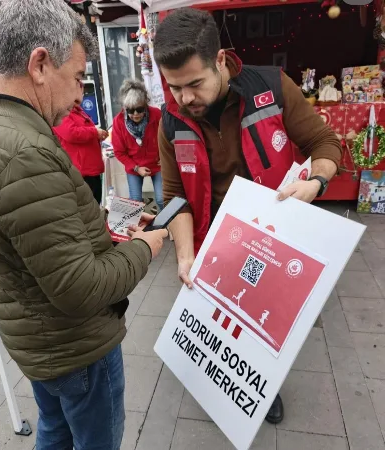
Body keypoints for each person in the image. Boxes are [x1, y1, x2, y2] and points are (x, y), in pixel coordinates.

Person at [0, 0, 169, 448]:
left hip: (40, 344)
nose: (81, 94)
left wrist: (100, 223)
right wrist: (146, 247)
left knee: (54, 431)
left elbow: (36, 236)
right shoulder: (24, 150)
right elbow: (80, 288)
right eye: (77, 77)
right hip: (76, 349)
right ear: (40, 64)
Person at [153, 8, 342, 425]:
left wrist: (316, 183)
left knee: (264, 328)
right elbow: (173, 196)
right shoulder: (170, 119)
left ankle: (261, 390)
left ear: (220, 60)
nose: (185, 99)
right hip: (212, 245)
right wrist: (185, 255)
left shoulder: (271, 87)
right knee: (219, 327)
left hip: (271, 239)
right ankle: (219, 385)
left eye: (194, 84)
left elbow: (325, 143)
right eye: (174, 87)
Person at [111, 79, 164, 211]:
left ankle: (168, 228)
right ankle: (138, 230)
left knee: (162, 199)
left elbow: (168, 138)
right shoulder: (118, 122)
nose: (135, 114)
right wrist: (136, 168)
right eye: (131, 110)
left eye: (140, 109)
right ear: (125, 107)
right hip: (134, 166)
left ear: (145, 104)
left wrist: (165, 157)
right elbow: (119, 152)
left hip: (157, 164)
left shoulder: (157, 114)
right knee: (135, 202)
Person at [53, 89, 108, 203]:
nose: (80, 94)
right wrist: (95, 132)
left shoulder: (77, 110)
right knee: (88, 207)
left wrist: (97, 135)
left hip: (90, 168)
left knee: (95, 205)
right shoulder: (60, 111)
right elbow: (70, 133)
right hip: (81, 171)